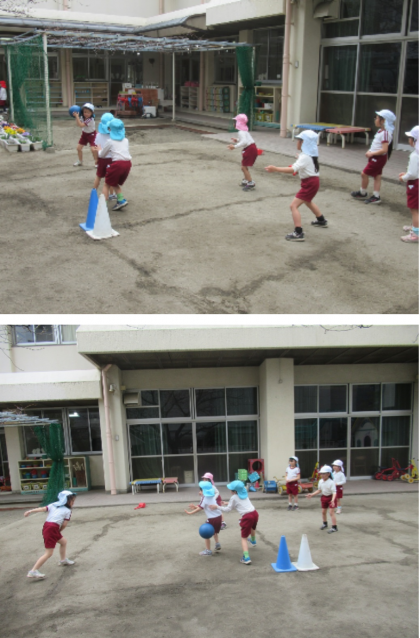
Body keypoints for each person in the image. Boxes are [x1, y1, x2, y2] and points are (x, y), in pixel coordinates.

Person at [265, 130, 327, 241]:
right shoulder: (308, 155)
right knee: (307, 201)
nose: (297, 142)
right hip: (312, 182)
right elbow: (302, 164)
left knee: (293, 206)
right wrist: (299, 158)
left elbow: (293, 169)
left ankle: (298, 232)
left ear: (304, 143)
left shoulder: (305, 157)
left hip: (309, 183)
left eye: (299, 140)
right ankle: (321, 220)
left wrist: (276, 169)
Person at [24, 490, 77, 579]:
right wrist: (58, 531)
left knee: (63, 542)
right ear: (66, 500)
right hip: (53, 528)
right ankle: (33, 571)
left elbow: (42, 509)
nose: (73, 503)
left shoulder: (53, 505)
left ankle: (63, 560)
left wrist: (30, 511)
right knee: (48, 553)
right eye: (72, 501)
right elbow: (64, 524)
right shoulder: (67, 511)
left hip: (47, 526)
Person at [351, 109, 396, 205]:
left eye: (377, 118)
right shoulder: (381, 131)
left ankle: (363, 192)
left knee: (364, 174)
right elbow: (377, 145)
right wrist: (370, 151)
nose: (375, 119)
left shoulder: (385, 133)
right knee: (377, 176)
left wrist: (372, 153)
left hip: (378, 158)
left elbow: (384, 149)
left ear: (383, 121)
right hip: (377, 157)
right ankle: (376, 196)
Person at [210, 479, 259, 565]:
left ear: (235, 491)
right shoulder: (244, 493)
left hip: (247, 517)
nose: (230, 491)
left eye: (231, 489)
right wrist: (227, 503)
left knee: (243, 538)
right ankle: (253, 540)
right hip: (254, 513)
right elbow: (239, 502)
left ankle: (246, 558)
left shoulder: (233, 497)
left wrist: (217, 507)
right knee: (253, 527)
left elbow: (228, 509)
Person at [95, 119, 132, 211]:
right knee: (114, 183)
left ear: (110, 129)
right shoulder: (126, 140)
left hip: (117, 164)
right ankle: (121, 200)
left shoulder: (110, 141)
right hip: (127, 164)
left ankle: (103, 204)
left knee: (106, 184)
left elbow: (102, 155)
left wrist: (99, 149)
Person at [184, 480, 222, 556]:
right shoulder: (211, 496)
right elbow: (203, 506)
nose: (199, 492)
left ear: (203, 491)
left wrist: (190, 513)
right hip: (219, 517)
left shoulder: (204, 498)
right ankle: (217, 543)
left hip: (212, 518)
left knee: (206, 532)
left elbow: (200, 508)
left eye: (200, 490)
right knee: (214, 531)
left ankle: (208, 551)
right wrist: (195, 506)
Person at [399, 125, 419, 243]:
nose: (409, 140)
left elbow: (412, 174)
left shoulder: (415, 155)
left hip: (415, 184)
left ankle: (415, 234)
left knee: (414, 209)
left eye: (410, 138)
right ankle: (414, 226)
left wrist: (403, 177)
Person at [228, 113, 258, 191]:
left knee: (243, 167)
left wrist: (234, 146)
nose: (234, 124)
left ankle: (250, 182)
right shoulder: (244, 131)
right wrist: (237, 140)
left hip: (250, 149)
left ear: (238, 123)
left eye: (235, 122)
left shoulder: (241, 132)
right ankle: (246, 180)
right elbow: (245, 140)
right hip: (251, 148)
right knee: (244, 166)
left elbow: (244, 142)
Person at [306, 465, 338, 533]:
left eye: (324, 474)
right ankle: (325, 524)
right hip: (324, 497)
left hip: (331, 497)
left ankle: (334, 527)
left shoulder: (331, 482)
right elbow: (319, 490)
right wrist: (312, 494)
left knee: (331, 512)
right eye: (321, 474)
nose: (322, 475)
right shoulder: (320, 481)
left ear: (328, 474)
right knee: (323, 512)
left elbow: (334, 492)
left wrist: (332, 500)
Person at [93, 113, 117, 200]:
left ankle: (93, 192)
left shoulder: (98, 135)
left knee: (98, 176)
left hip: (102, 159)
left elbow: (96, 148)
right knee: (110, 177)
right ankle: (111, 194)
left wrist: (96, 159)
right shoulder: (113, 136)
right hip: (111, 159)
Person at [73, 102, 97, 167]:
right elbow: (78, 124)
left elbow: (81, 125)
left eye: (88, 112)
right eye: (85, 112)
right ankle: (80, 161)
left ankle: (97, 162)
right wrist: (77, 117)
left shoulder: (90, 119)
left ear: (92, 113)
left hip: (92, 135)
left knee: (93, 149)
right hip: (84, 134)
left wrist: (77, 116)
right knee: (78, 148)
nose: (86, 114)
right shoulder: (82, 117)